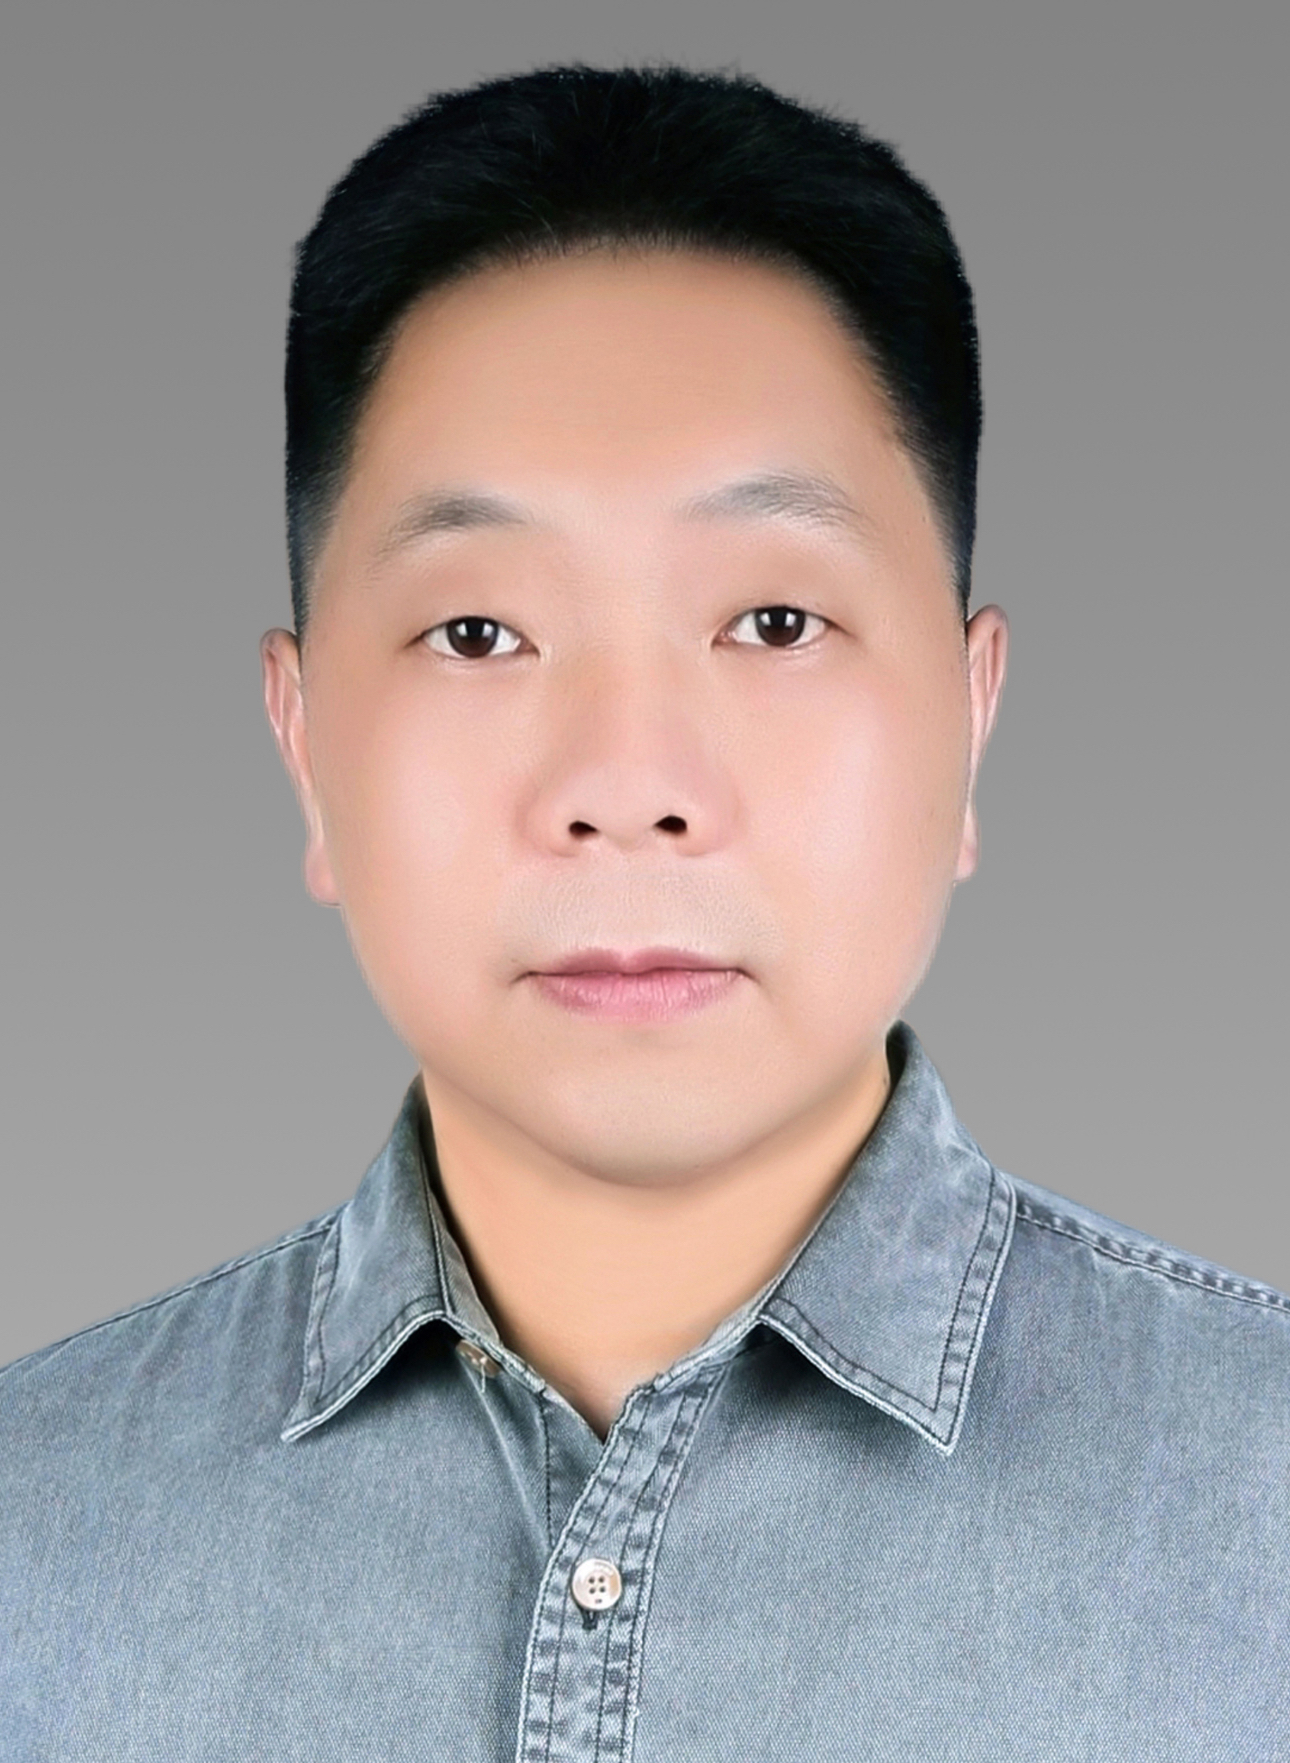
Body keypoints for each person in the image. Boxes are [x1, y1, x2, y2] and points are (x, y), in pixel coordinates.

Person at [1, 60, 1285, 1761]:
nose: (626, 785)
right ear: (304, 745)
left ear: (970, 718)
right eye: (478, 633)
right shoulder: (34, 1537)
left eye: (772, 623)